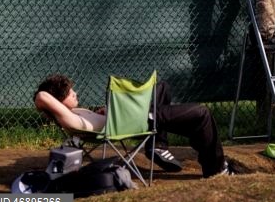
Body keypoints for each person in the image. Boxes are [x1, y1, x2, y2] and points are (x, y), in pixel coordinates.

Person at [34, 74, 237, 177]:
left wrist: (102, 113)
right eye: (70, 93)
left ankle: (158, 145)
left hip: (126, 117)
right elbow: (42, 96)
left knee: (162, 87)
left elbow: (93, 122)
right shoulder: (67, 118)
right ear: (59, 101)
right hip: (134, 121)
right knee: (202, 114)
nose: (75, 93)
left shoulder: (73, 114)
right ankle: (216, 169)